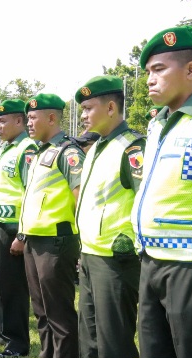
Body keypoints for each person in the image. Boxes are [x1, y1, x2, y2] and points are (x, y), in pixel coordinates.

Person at [132, 26, 192, 358]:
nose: (149, 80)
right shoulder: (158, 125)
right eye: (147, 73)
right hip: (151, 262)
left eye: (159, 70)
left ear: (191, 70)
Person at [74, 76, 145, 358]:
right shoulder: (98, 148)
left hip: (116, 259)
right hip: (91, 254)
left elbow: (145, 200)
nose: (82, 115)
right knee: (89, 338)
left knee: (114, 341)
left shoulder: (132, 148)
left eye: (89, 108)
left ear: (112, 107)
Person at [19, 93, 84, 358]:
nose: (29, 123)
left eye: (33, 118)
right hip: (35, 241)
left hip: (56, 242)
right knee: (42, 311)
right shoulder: (40, 152)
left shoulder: (69, 152)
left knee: (59, 313)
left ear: (53, 118)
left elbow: (80, 196)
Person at [0, 99, 37, 356]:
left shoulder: (27, 150)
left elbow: (31, 193)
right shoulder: (6, 149)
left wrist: (22, 234)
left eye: (3, 121)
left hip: (12, 229)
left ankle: (17, 342)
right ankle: (2, 332)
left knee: (14, 287)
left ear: (19, 121)